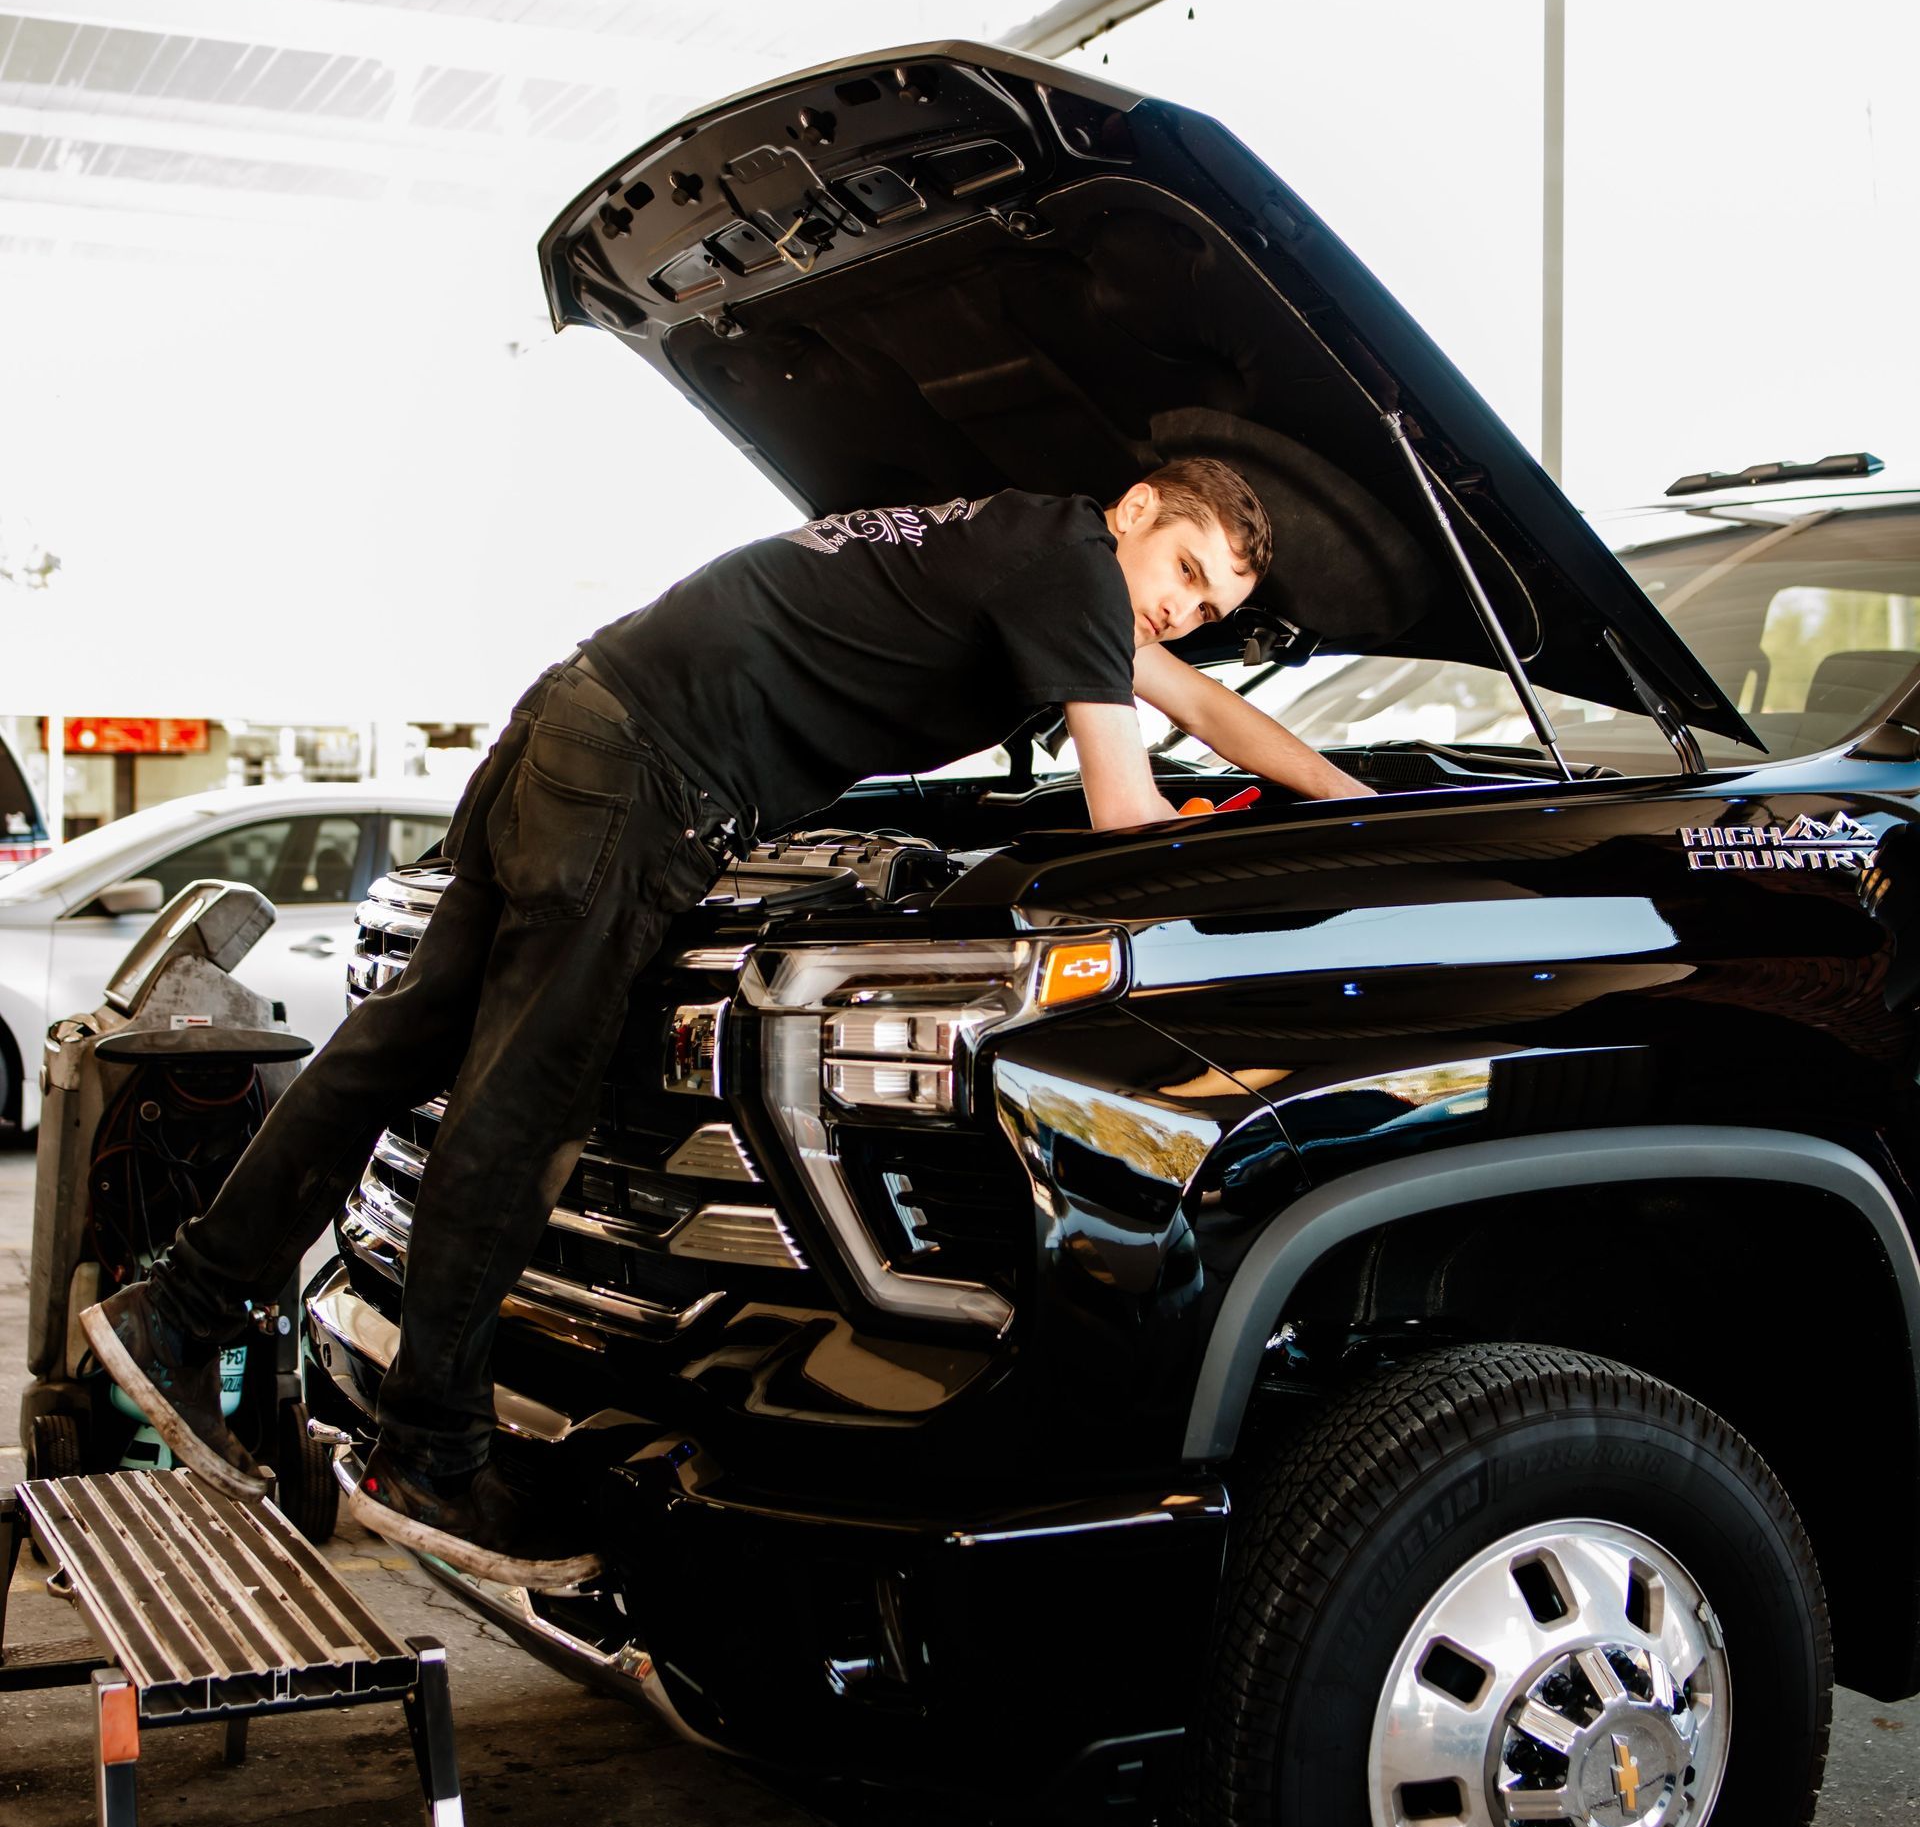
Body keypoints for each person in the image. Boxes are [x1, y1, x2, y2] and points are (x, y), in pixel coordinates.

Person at [85, 459, 1369, 1584]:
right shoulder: (1072, 562)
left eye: (1209, 610)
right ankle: (432, 1451)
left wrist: (1347, 796)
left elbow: (1207, 709)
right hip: (645, 771)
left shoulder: (1029, 543)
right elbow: (1126, 820)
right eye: (1183, 570)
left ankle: (182, 1307)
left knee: (403, 1045)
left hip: (580, 714)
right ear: (1134, 510)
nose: (1182, 613)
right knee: (525, 1100)